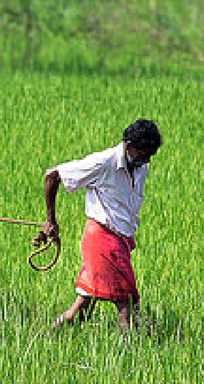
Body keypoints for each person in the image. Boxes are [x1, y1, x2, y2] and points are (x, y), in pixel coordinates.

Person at [41, 118, 162, 330]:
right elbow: (52, 175)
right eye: (143, 154)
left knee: (82, 307)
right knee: (128, 303)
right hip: (102, 239)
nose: (147, 161)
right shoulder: (104, 162)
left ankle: (47, 336)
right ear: (128, 145)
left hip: (121, 241)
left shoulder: (140, 167)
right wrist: (51, 220)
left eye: (150, 156)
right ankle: (130, 355)